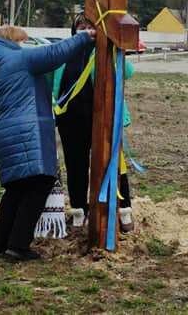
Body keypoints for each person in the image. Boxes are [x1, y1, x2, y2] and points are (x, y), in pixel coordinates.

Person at [0, 24, 95, 261]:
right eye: (23, 40)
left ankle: (2, 244)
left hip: (5, 132)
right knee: (39, 183)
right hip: (25, 130)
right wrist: (85, 37)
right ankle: (18, 245)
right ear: (15, 41)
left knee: (17, 188)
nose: (26, 44)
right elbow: (55, 53)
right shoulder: (20, 58)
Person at [51, 16, 137, 232]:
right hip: (70, 120)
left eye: (91, 27)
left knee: (113, 163)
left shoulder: (104, 51)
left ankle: (123, 209)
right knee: (75, 164)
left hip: (102, 119)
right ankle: (79, 210)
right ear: (74, 30)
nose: (86, 30)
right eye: (82, 26)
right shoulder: (63, 52)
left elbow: (128, 72)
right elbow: (49, 80)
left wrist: (114, 48)